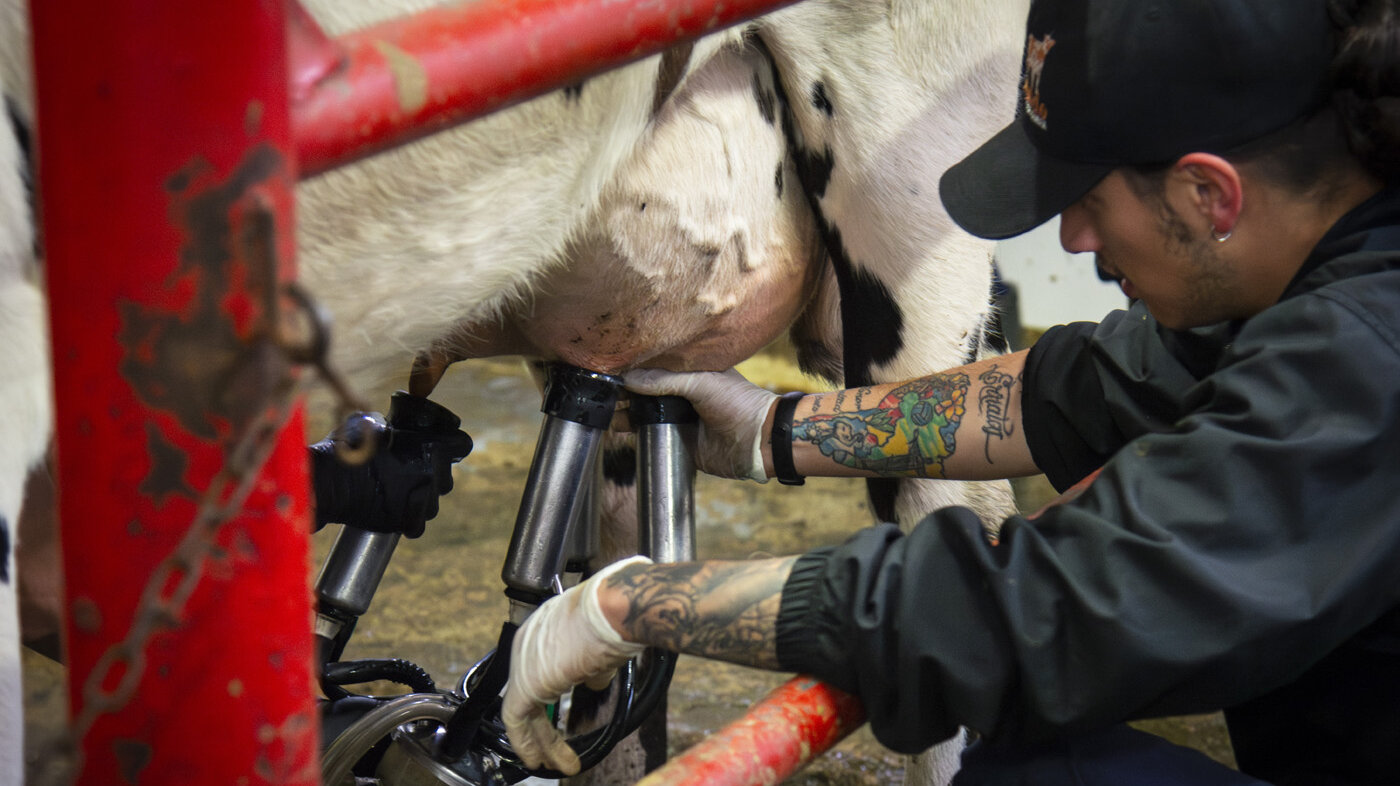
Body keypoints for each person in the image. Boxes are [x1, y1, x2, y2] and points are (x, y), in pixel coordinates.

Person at [502, 0, 1400, 783]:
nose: (1076, 238)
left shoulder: (1362, 357)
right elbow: (1078, 388)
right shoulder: (1331, 271)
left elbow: (1050, 614)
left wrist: (636, 604)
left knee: (1032, 770)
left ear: (1211, 195)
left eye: (1085, 195)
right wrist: (776, 430)